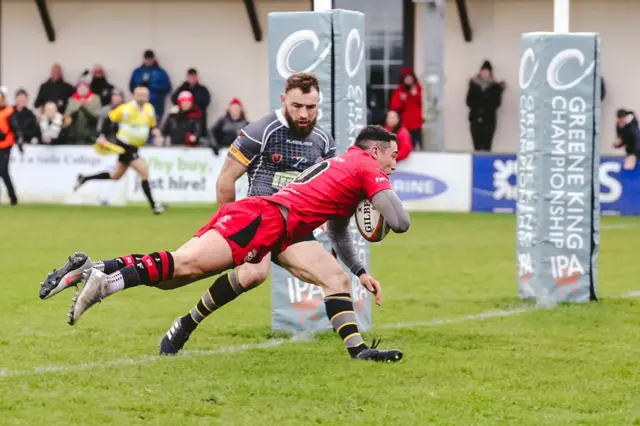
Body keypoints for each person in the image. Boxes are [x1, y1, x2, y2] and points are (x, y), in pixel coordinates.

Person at [40, 125, 410, 362]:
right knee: (182, 267)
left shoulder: (348, 163)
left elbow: (339, 231)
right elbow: (400, 222)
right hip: (263, 219)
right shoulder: (364, 166)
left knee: (334, 278)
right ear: (375, 151)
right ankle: (105, 283)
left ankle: (358, 351)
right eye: (393, 156)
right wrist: (380, 196)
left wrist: (360, 271)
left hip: (275, 225)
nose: (394, 164)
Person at [41, 71, 334, 328]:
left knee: (190, 273)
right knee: (180, 271)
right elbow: (225, 180)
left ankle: (98, 271)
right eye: (297, 106)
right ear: (284, 100)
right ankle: (105, 281)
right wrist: (234, 230)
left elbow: (326, 189)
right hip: (253, 224)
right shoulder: (262, 130)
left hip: (285, 227)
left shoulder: (323, 140)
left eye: (311, 107)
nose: (304, 113)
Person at [72, 85, 166, 214]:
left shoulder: (149, 109)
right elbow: (107, 119)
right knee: (144, 172)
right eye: (140, 95)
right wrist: (102, 136)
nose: (143, 97)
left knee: (115, 175)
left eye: (145, 95)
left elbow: (152, 125)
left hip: (135, 147)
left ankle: (84, 178)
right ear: (134, 95)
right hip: (125, 145)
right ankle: (154, 205)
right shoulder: (125, 109)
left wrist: (156, 132)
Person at [465, 60, 505, 152]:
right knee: (476, 144)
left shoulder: (495, 87)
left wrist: (485, 103)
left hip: (489, 119)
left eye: (487, 71)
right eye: (483, 71)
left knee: (487, 144)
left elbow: (497, 103)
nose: (485, 73)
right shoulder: (474, 85)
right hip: (475, 118)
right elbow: (468, 101)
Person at [0, 86, 23, 205]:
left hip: (5, 146)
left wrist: (19, 142)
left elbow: (15, 128)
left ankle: (13, 197)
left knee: (3, 171)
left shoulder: (9, 112)